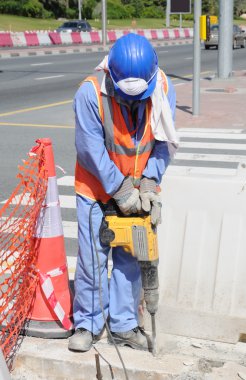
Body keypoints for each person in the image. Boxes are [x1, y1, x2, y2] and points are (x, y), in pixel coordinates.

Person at [68, 33, 178, 353]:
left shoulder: (162, 88)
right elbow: (90, 150)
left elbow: (165, 142)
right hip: (95, 189)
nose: (133, 102)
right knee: (93, 260)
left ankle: (124, 325)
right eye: (127, 96)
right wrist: (119, 188)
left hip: (137, 186)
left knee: (132, 258)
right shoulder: (90, 94)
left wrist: (148, 183)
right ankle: (88, 323)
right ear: (111, 78)